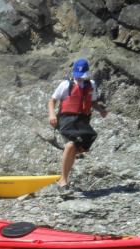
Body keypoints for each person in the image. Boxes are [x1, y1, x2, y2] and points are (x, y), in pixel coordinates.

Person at [47, 58, 108, 189]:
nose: (80, 79)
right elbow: (52, 101)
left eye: (82, 76)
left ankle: (64, 179)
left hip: (82, 121)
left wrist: (101, 110)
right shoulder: (65, 85)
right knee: (70, 145)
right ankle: (62, 181)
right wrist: (52, 115)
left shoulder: (91, 84)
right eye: (78, 76)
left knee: (75, 147)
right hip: (66, 120)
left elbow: (93, 102)